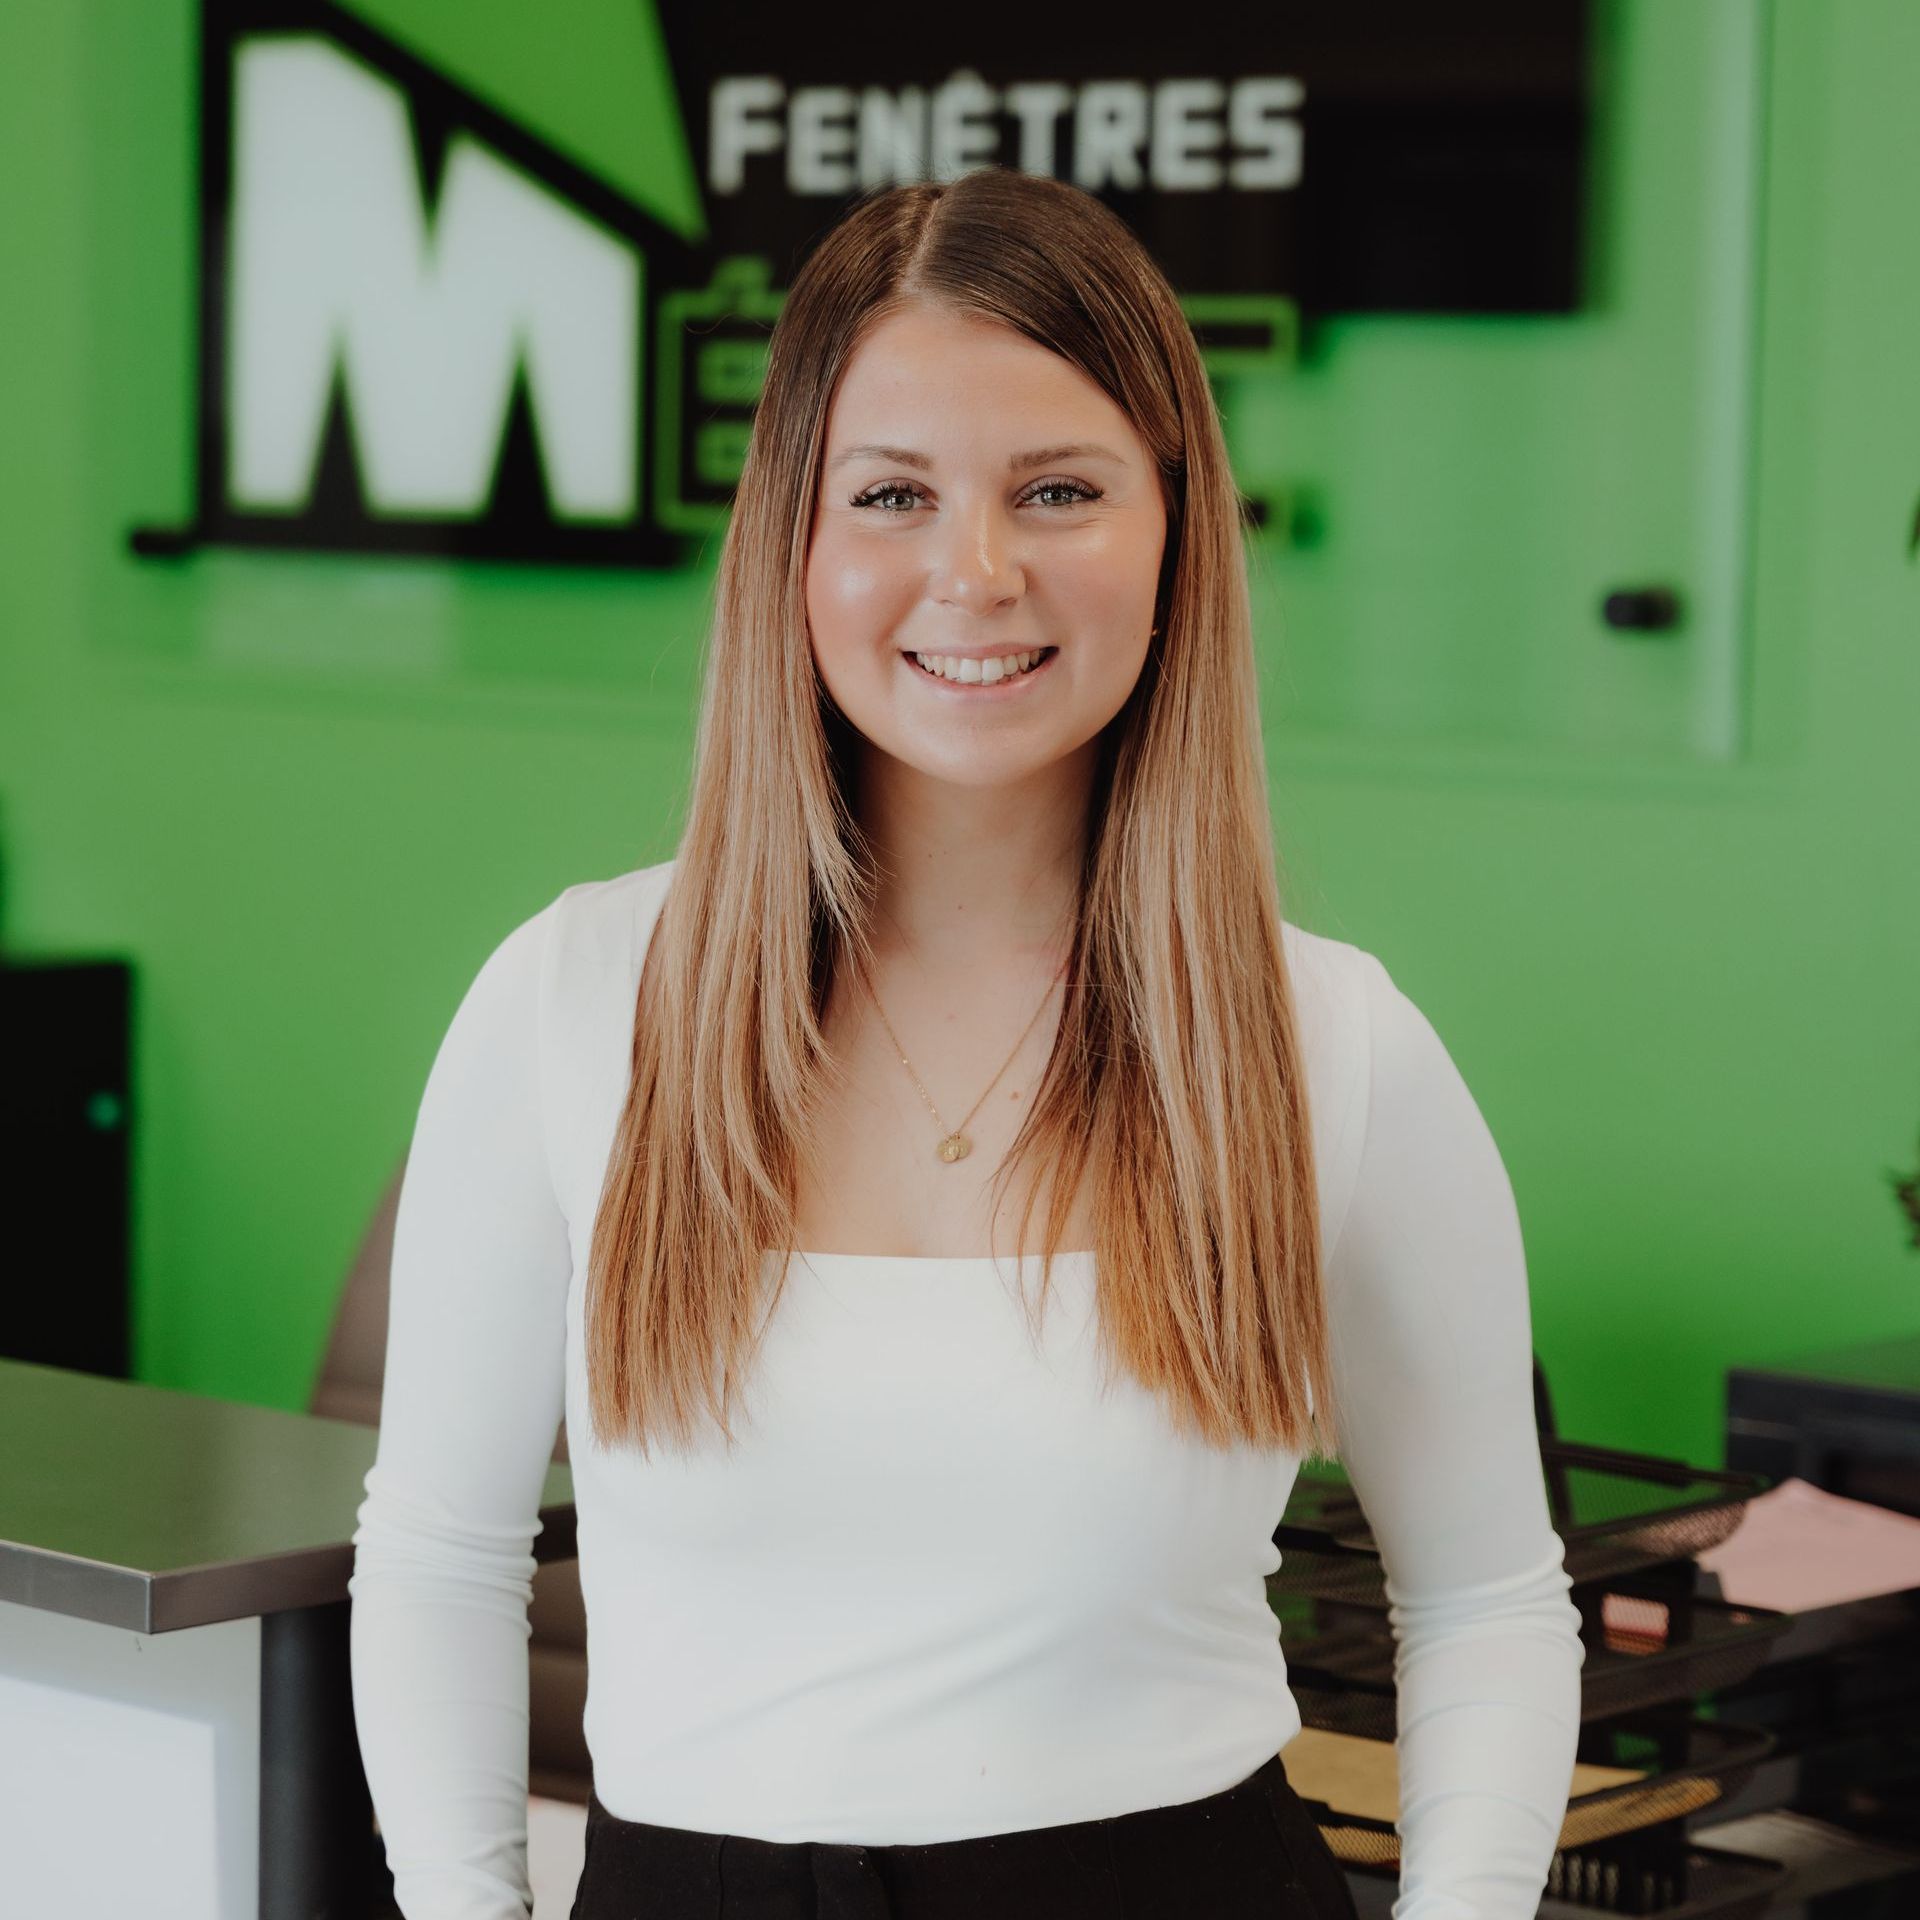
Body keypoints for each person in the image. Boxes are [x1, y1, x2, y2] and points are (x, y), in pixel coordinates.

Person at [348, 168, 1584, 1919]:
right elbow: (441, 1556)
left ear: (1176, 531)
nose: (977, 571)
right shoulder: (577, 998)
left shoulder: (1330, 1044)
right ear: (796, 536)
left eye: (1060, 489)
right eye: (894, 495)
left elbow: (1483, 1601)